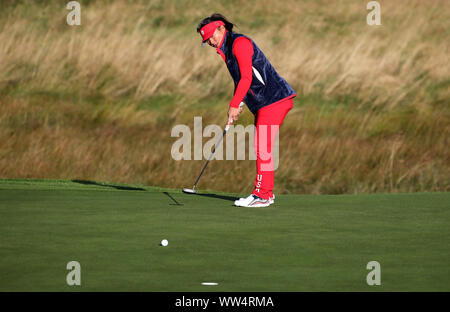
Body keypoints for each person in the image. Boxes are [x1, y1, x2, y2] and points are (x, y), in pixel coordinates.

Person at [197, 13, 296, 207]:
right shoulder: (226, 48)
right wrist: (239, 102)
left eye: (211, 36)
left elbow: (246, 78)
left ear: (221, 28)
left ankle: (262, 195)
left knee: (262, 147)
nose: (210, 41)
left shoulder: (239, 43)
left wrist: (234, 104)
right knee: (262, 146)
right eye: (206, 39)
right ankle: (266, 192)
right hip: (264, 102)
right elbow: (239, 79)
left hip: (274, 99)